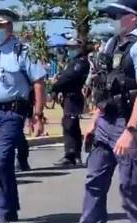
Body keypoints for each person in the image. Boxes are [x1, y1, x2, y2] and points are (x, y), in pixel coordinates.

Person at [60, 0, 137, 223]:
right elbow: (106, 86)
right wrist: (95, 120)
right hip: (106, 123)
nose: (109, 20)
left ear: (131, 17)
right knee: (94, 182)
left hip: (132, 125)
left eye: (114, 15)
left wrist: (131, 130)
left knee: (132, 189)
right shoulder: (113, 44)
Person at [0, 9, 46, 223]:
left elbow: (39, 82)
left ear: (10, 27)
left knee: (3, 161)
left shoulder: (23, 51)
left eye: (0, 26)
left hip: (12, 114)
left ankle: (3, 211)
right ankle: (9, 208)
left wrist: (38, 115)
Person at [52, 38, 90, 168]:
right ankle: (74, 154)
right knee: (70, 124)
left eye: (73, 48)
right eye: (69, 48)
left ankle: (71, 155)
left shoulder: (80, 63)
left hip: (74, 96)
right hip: (68, 97)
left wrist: (54, 87)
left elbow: (68, 77)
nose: (70, 50)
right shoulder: (72, 62)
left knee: (70, 124)